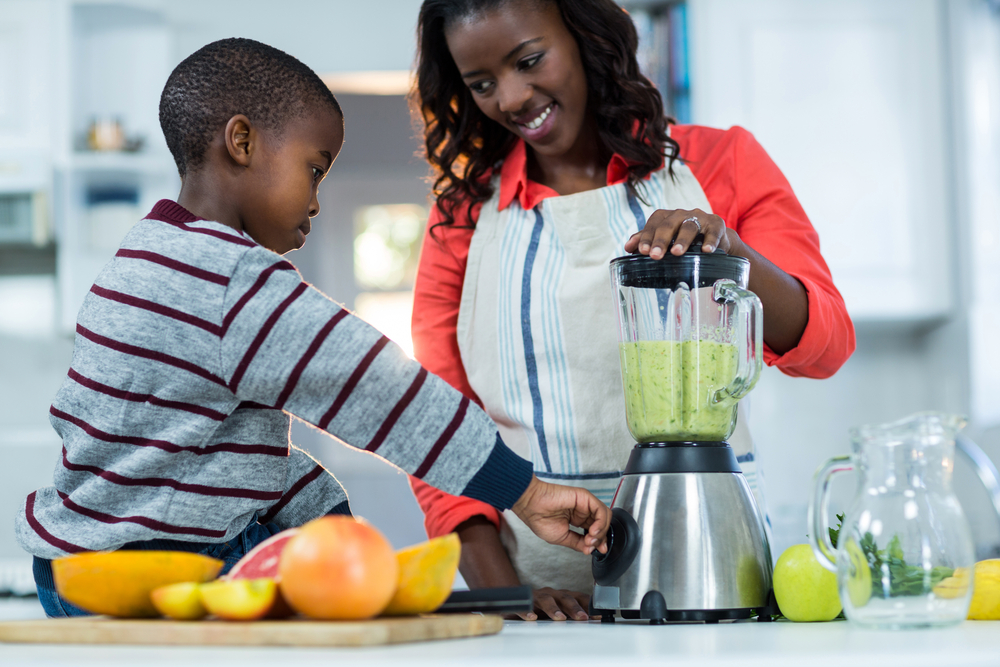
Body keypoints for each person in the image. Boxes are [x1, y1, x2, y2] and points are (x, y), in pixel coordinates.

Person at [14, 37, 610, 618]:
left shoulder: (142, 257)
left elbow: (234, 458)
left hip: (80, 568)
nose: (317, 201)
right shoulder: (231, 279)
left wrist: (333, 524)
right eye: (314, 169)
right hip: (162, 567)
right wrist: (524, 493)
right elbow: (382, 393)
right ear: (242, 141)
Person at [407, 0, 856, 621]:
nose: (509, 98)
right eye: (481, 83)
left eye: (529, 60)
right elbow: (439, 427)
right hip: (538, 612)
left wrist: (729, 248)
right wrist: (506, 595)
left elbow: (828, 345)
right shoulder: (462, 218)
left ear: (585, 36)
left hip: (712, 582)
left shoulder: (720, 163)